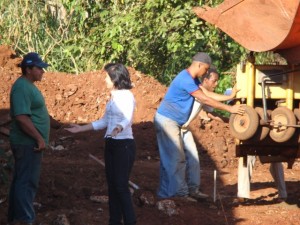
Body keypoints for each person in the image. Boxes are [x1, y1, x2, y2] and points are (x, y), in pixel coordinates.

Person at [154, 52, 245, 200]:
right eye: (205, 69)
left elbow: (208, 95)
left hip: (181, 124)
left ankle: (188, 191)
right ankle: (179, 194)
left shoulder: (194, 80)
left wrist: (230, 97)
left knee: (192, 158)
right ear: (199, 65)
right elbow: (204, 98)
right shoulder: (185, 79)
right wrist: (230, 109)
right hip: (168, 121)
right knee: (176, 159)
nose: (205, 73)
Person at [65, 63, 136, 225]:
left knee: (120, 186)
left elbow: (128, 117)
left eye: (107, 77)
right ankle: (114, 221)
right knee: (112, 186)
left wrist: (119, 127)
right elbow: (104, 121)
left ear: (115, 79)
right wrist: (81, 129)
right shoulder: (114, 97)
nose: (104, 79)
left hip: (124, 145)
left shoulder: (126, 96)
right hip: (111, 144)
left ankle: (130, 221)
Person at [8, 52, 61, 225]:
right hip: (27, 144)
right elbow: (22, 117)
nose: (42, 72)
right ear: (29, 69)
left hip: (28, 143)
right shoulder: (22, 87)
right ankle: (25, 220)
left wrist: (58, 125)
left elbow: (35, 112)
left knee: (22, 181)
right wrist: (39, 138)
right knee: (27, 182)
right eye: (39, 68)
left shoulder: (28, 85)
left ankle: (16, 219)